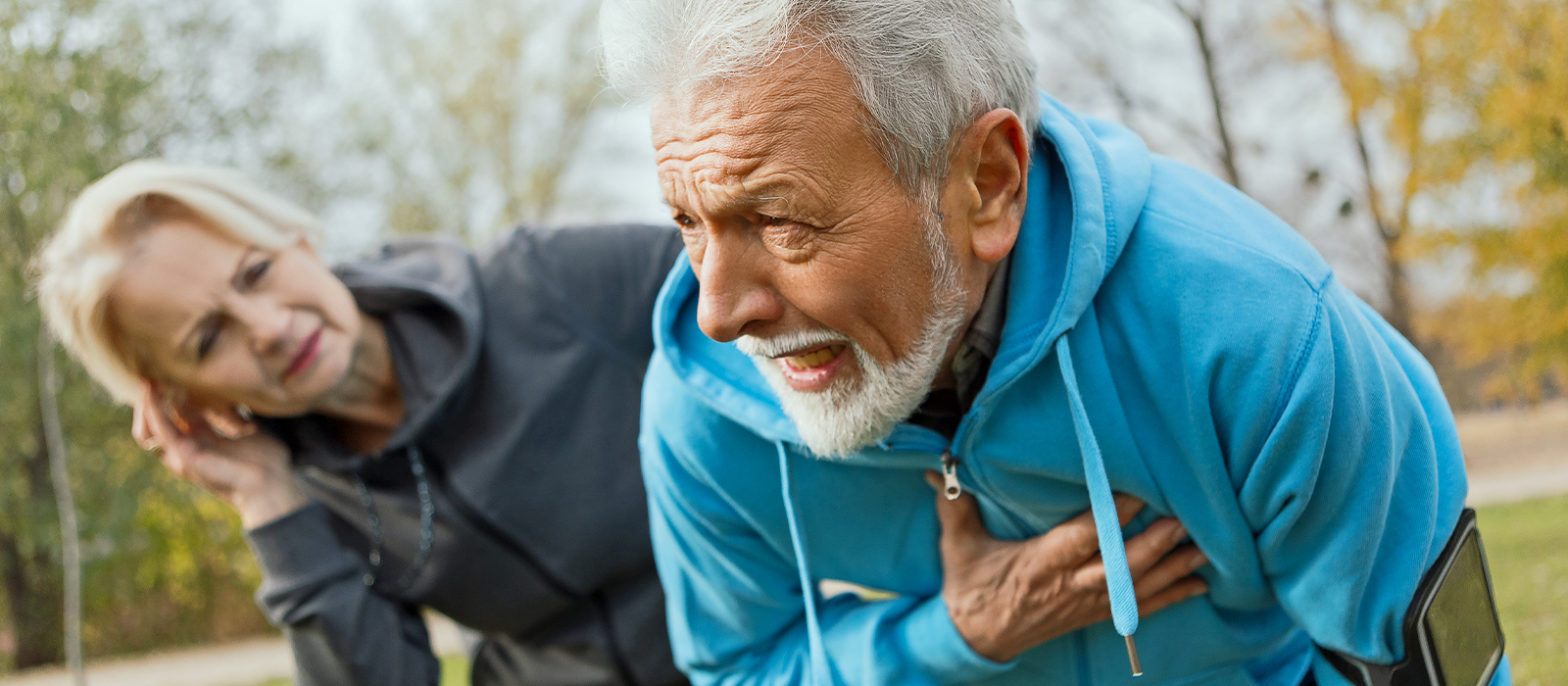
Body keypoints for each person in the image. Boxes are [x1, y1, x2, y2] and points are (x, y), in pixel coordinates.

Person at [600, 0, 1511, 684]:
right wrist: (953, 638)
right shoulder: (700, 402)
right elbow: (735, 671)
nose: (718, 312)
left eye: (781, 220)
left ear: (988, 182)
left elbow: (1423, 671)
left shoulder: (1260, 330)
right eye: (688, 219)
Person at [35, 160, 689, 686]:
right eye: (209, 339)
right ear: (186, 400)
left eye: (256, 272)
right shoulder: (310, 496)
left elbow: (759, 303)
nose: (268, 328)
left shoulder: (543, 282)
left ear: (297, 238)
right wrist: (270, 502)